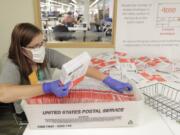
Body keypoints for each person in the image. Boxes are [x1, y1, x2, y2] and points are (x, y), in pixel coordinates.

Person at [0, 23, 132, 104]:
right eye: (35, 46)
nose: (41, 48)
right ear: (22, 49)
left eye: (42, 43)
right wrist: (46, 88)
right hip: (27, 109)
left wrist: (107, 79)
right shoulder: (12, 63)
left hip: (45, 102)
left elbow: (77, 65)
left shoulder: (47, 53)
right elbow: (3, 94)